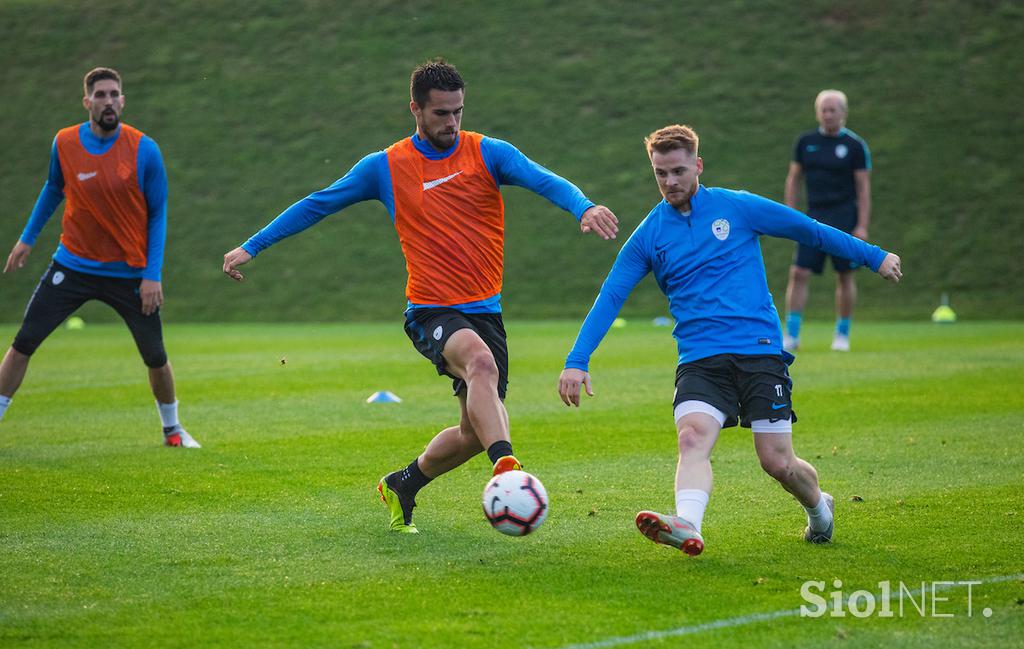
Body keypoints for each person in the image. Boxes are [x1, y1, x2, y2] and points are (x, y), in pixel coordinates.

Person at [222, 58, 618, 534]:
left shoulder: (489, 153)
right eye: (441, 114)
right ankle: (509, 472)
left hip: (485, 311)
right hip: (431, 310)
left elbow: (545, 179)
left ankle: (402, 484)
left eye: (458, 112)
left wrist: (584, 205)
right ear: (415, 109)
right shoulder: (385, 167)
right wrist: (251, 246)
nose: (452, 123)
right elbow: (317, 204)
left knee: (472, 435)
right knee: (481, 364)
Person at [557, 124, 901, 556]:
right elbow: (610, 297)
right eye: (660, 174)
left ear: (698, 165)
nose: (670, 182)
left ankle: (819, 511)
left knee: (777, 462)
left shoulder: (736, 207)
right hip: (700, 359)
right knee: (692, 438)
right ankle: (687, 523)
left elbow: (808, 230)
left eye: (679, 171)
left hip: (758, 351)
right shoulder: (649, 235)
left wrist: (875, 257)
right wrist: (577, 359)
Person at [0, 67, 199, 448]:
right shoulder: (65, 142)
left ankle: (172, 430)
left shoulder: (144, 149)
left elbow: (158, 215)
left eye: (114, 94)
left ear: (122, 100)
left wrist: (152, 275)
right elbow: (53, 189)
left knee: (155, 356)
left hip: (130, 272)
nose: (108, 101)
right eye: (101, 95)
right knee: (24, 341)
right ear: (87, 101)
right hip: (72, 265)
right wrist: (27, 239)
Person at [783, 89, 872, 352]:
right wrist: (789, 214)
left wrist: (862, 225)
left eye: (833, 110)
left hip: (845, 217)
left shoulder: (855, 146)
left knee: (844, 274)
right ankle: (792, 334)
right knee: (798, 272)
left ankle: (842, 333)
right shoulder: (805, 142)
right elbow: (793, 178)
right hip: (813, 218)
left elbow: (863, 188)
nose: (828, 114)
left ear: (844, 113)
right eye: (824, 109)